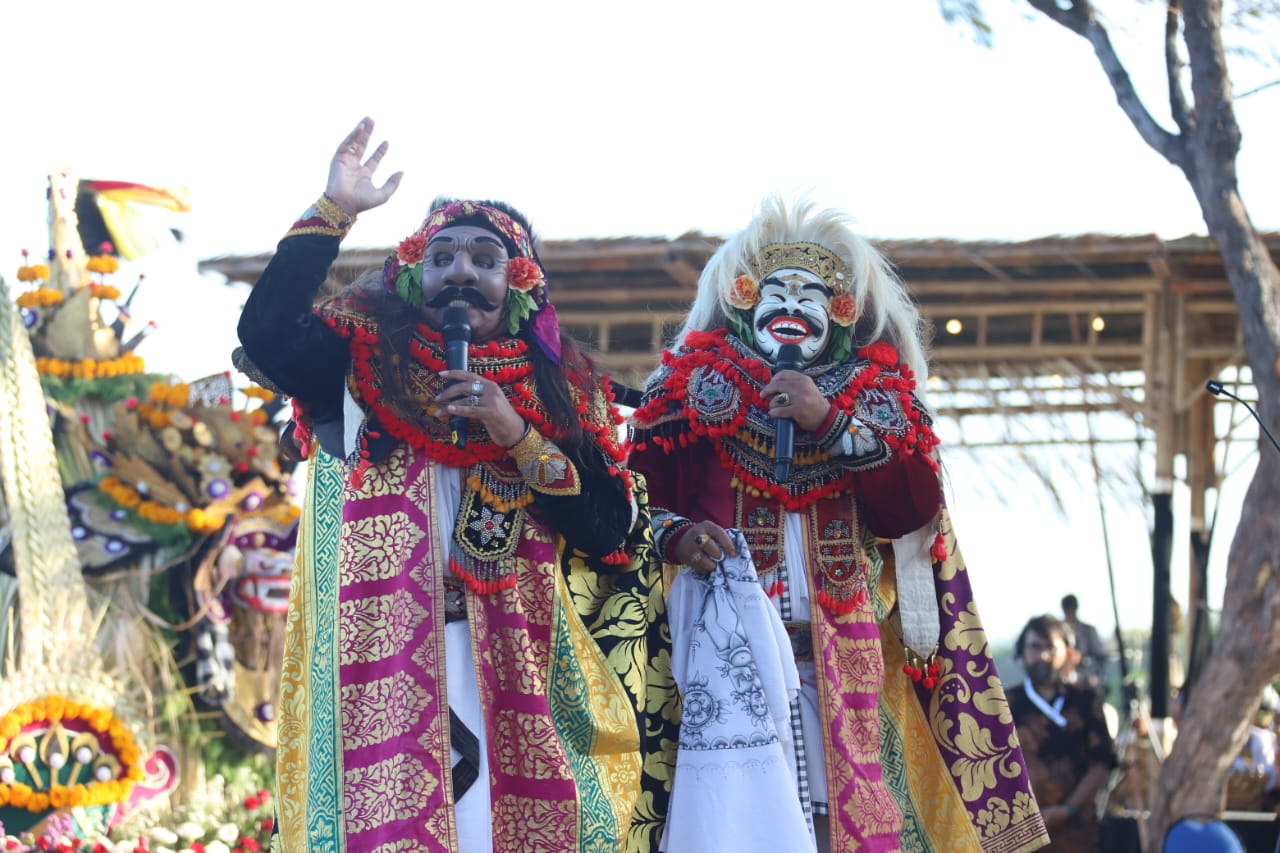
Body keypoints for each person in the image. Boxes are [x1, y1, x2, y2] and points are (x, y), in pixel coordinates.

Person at [236, 118, 675, 853]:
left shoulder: (563, 393)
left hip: (520, 672)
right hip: (377, 668)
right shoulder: (353, 367)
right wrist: (334, 209)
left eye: (484, 257)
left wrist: (516, 432)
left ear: (519, 283)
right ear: (413, 277)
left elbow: (609, 530)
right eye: (439, 257)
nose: (460, 271)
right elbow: (268, 334)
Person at [628, 195, 1048, 852]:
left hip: (850, 666)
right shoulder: (688, 395)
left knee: (840, 827)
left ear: (842, 311)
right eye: (777, 295)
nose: (792, 310)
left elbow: (913, 507)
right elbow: (630, 509)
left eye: (811, 297)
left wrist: (828, 419)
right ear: (742, 300)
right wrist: (676, 536)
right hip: (720, 661)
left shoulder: (877, 400)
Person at [1007, 614, 1117, 852]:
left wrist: (1068, 808)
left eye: (1051, 647)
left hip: (1079, 832)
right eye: (1035, 647)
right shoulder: (1004, 704)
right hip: (1022, 831)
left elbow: (1103, 761)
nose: (1043, 656)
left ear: (1067, 652)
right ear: (1022, 651)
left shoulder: (1085, 700)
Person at [1060, 593, 1109, 696]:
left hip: (1088, 678)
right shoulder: (1057, 632)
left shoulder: (1088, 631)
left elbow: (1101, 654)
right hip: (1064, 679)